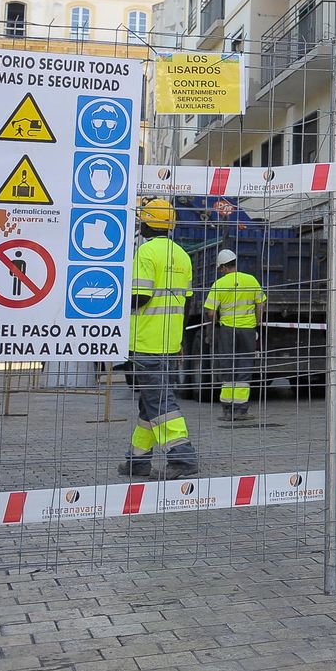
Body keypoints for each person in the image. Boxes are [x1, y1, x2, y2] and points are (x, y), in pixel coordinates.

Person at [119, 198, 199, 478]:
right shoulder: (182, 255)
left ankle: (182, 458)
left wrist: (115, 305)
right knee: (150, 403)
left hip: (145, 341)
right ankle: (138, 460)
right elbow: (187, 302)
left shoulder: (145, 252)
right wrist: (179, 341)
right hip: (169, 341)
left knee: (160, 403)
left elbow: (140, 296)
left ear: (145, 224)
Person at [203, 249, 265, 421]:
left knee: (227, 366)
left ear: (223, 267)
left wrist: (216, 323)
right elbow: (260, 305)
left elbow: (210, 312)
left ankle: (227, 409)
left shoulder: (219, 284)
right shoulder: (251, 280)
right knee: (245, 368)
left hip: (228, 330)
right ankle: (241, 410)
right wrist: (256, 322)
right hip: (248, 330)